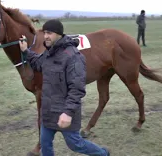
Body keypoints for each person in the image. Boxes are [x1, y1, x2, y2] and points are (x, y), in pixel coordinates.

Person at [19, 19, 110, 156]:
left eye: (49, 33)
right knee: (45, 144)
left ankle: (103, 153)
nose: (46, 36)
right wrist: (26, 51)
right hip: (48, 112)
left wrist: (67, 113)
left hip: (65, 112)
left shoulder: (73, 56)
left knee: (75, 144)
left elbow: (77, 88)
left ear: (59, 34)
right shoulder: (49, 52)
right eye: (44, 33)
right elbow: (38, 63)